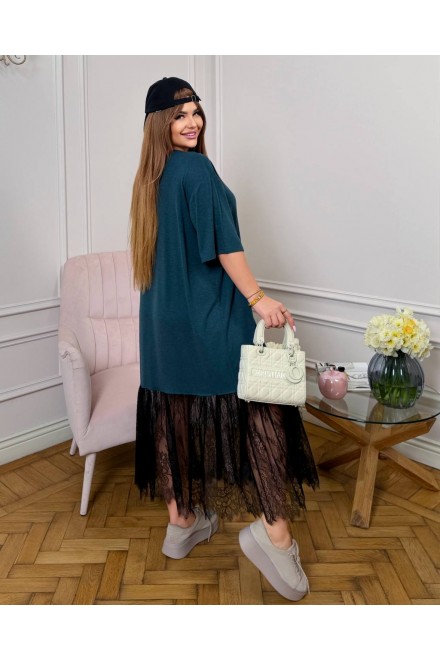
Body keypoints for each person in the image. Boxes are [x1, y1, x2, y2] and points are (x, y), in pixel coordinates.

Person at [130, 76, 319, 602]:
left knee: (173, 417)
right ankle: (275, 538)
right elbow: (224, 246)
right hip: (210, 316)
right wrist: (258, 298)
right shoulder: (196, 169)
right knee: (261, 415)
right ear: (158, 123)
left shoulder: (151, 178)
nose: (192, 122)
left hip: (161, 322)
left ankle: (181, 524)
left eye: (196, 111)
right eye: (179, 114)